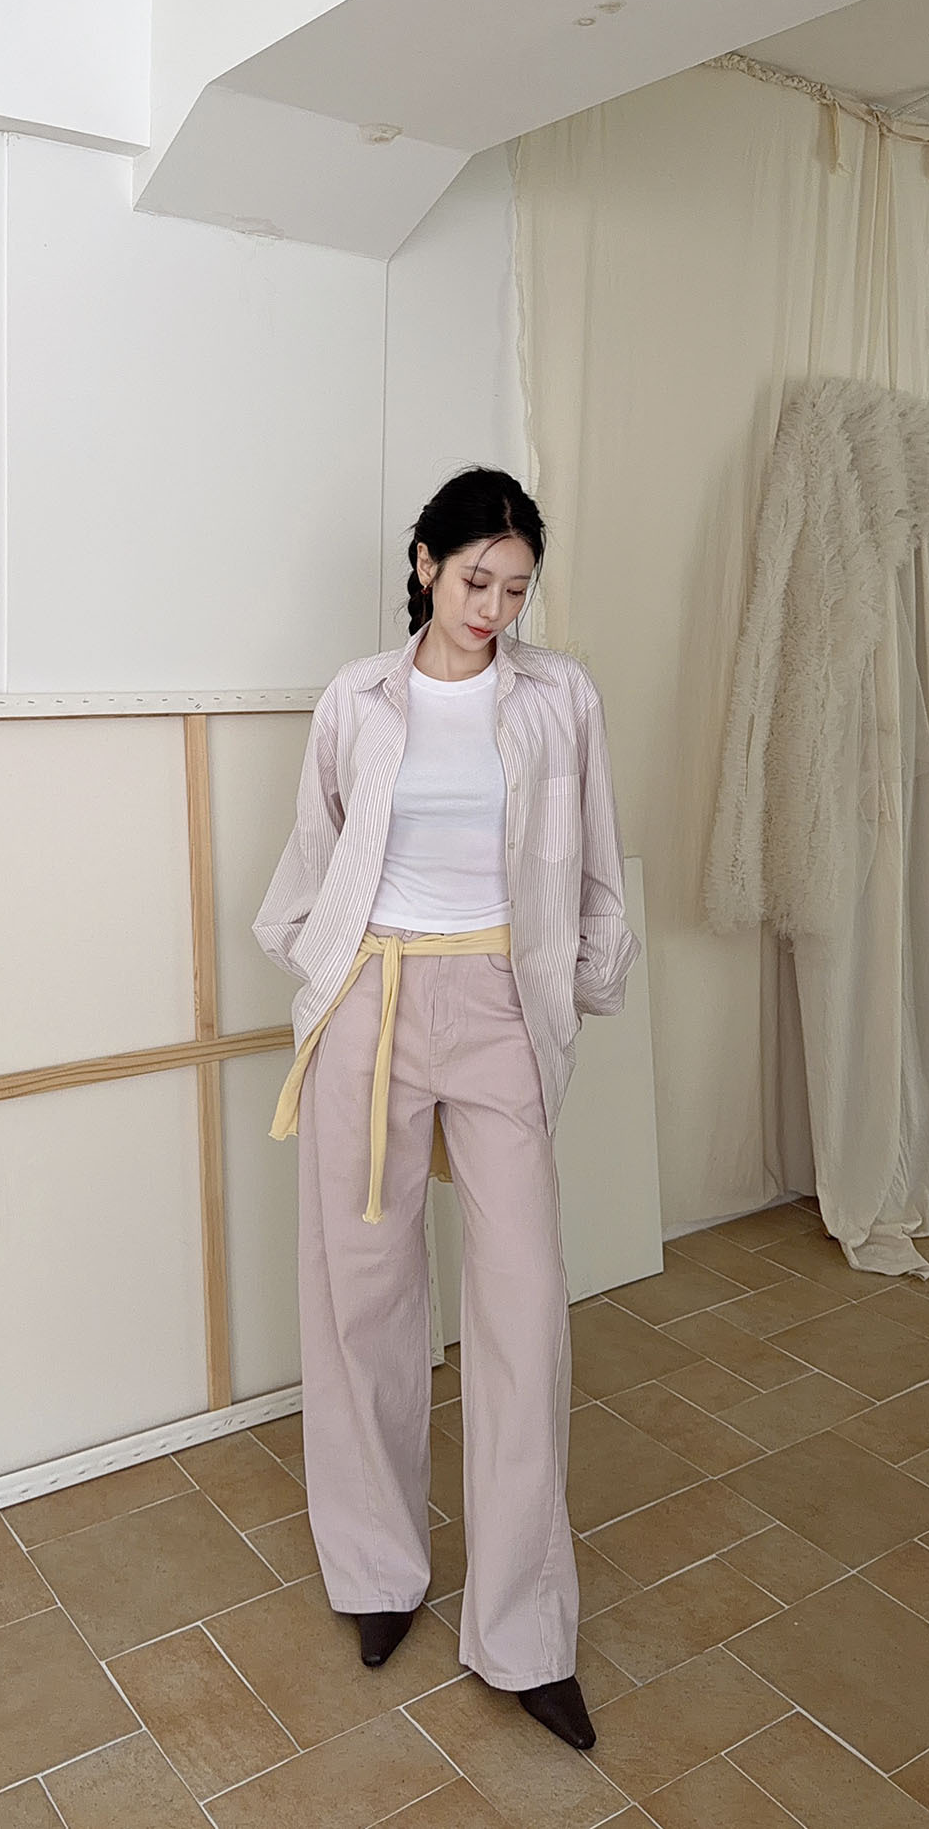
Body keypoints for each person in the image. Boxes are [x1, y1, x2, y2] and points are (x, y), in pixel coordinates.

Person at [254, 466, 639, 1751]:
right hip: (371, 1001)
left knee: (523, 1307)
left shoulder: (561, 698)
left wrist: (583, 984)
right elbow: (314, 857)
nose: (494, 608)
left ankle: (525, 1634)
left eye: (517, 588)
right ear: (425, 564)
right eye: (477, 579)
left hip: (497, 1002)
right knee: (363, 1294)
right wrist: (324, 970)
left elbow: (595, 862)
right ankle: (377, 1572)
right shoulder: (358, 701)